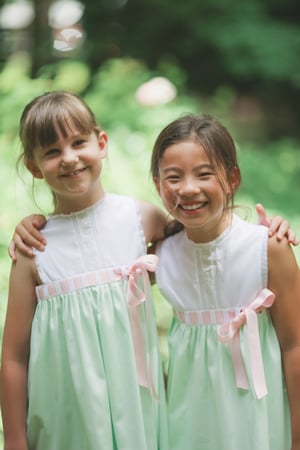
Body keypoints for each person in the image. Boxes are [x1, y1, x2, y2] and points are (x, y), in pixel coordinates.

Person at [0, 91, 169, 450]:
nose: (69, 158)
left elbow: (205, 245)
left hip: (138, 411)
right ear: (34, 167)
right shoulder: (34, 251)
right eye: (52, 151)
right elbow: (14, 356)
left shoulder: (143, 220)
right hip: (67, 419)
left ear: (102, 142)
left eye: (79, 142)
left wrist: (269, 232)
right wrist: (14, 440)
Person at [150, 113, 300, 450]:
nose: (188, 189)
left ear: (232, 179)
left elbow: (295, 346)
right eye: (173, 177)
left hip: (261, 415)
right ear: (159, 185)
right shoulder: (161, 255)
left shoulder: (267, 248)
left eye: (204, 174)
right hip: (190, 421)